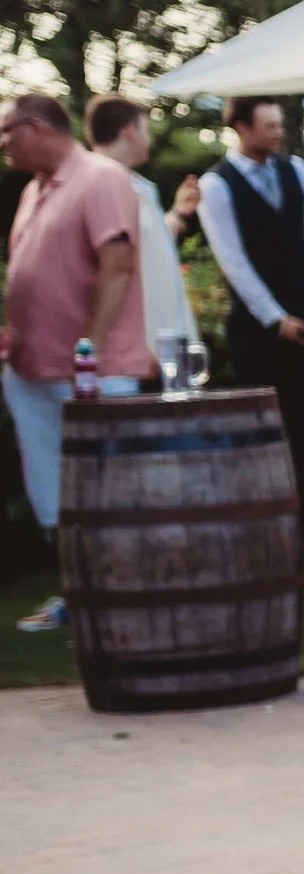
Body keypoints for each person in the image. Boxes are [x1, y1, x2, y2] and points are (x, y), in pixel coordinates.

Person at [2, 95, 147, 633]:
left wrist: (87, 350)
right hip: (32, 369)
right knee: (53, 494)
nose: (3, 144)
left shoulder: (100, 178)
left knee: (105, 491)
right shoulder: (33, 189)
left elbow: (117, 265)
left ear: (37, 127)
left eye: (6, 132)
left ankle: (119, 598)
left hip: (91, 373)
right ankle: (77, 595)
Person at [196, 97, 304, 523]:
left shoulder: (295, 169)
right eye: (269, 126)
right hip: (256, 327)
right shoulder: (215, 185)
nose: (278, 133)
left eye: (280, 125)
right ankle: (274, 513)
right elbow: (232, 261)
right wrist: (274, 318)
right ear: (240, 127)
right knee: (270, 423)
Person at [82, 96, 202, 365]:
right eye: (146, 130)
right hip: (132, 355)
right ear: (130, 132)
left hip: (165, 348)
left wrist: (179, 213)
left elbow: (148, 247)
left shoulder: (139, 186)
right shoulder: (94, 185)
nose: (149, 140)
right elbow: (110, 269)